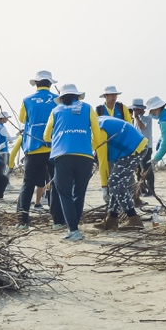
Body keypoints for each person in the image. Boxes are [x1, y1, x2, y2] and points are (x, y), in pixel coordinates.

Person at [42, 84, 105, 241]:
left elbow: (46, 135)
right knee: (79, 192)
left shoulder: (55, 111)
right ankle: (74, 227)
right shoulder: (88, 108)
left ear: (61, 98)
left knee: (65, 194)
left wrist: (57, 139)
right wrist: (91, 146)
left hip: (62, 155)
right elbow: (97, 134)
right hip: (85, 156)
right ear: (78, 96)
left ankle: (74, 229)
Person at [10, 70, 64, 229]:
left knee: (28, 184)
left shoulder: (27, 100)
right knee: (55, 184)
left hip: (33, 147)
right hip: (54, 148)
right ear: (50, 84)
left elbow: (22, 119)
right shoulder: (57, 100)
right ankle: (58, 221)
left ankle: (22, 221)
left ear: (36, 83)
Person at [94, 115, 147, 230]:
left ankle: (133, 218)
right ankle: (112, 219)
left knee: (114, 182)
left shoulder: (99, 131)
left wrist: (104, 186)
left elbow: (103, 162)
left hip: (134, 149)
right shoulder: (98, 121)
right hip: (132, 148)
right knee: (117, 184)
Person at [130, 98, 155, 197]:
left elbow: (142, 127)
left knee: (146, 168)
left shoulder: (147, 118)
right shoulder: (134, 120)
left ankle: (151, 189)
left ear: (142, 110)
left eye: (137, 109)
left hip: (146, 147)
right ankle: (141, 189)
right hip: (137, 148)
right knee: (138, 170)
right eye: (134, 109)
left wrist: (136, 118)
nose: (135, 112)